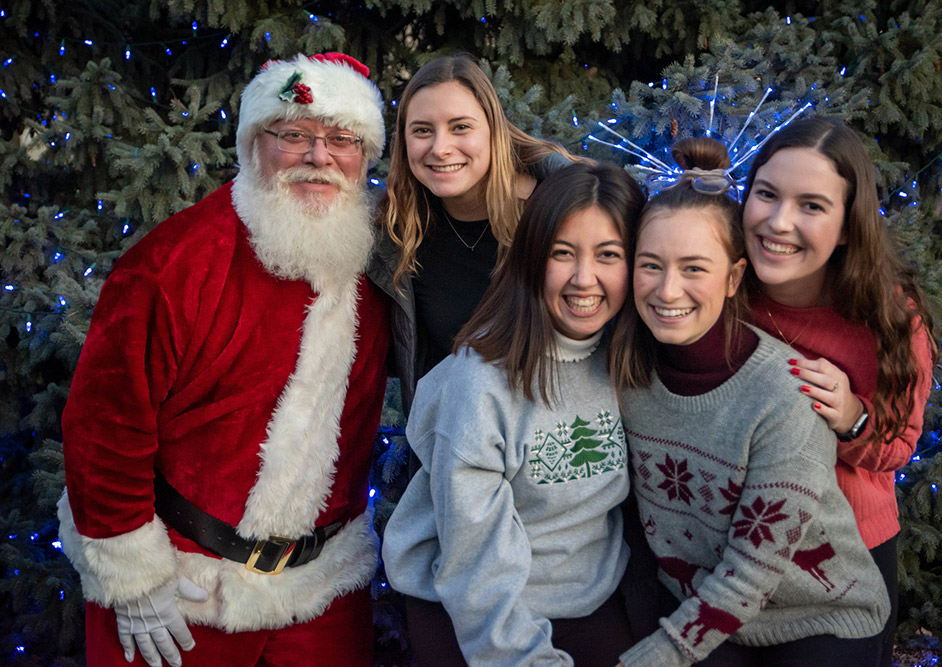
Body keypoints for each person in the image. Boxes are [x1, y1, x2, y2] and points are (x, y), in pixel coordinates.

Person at [57, 53, 389, 667]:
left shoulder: (381, 262)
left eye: (342, 139)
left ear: (364, 154)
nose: (319, 156)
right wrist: (133, 578)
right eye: (292, 135)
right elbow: (104, 423)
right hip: (181, 598)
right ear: (251, 144)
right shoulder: (175, 262)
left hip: (322, 602)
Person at [611, 137, 889, 666]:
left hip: (816, 614)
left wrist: (658, 654)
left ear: (734, 277)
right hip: (701, 604)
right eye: (651, 265)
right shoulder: (626, 373)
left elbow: (754, 569)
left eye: (694, 268)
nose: (668, 291)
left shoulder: (786, 391)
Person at [382, 162, 645, 666]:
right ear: (530, 259)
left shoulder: (627, 355)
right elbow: (475, 564)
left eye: (608, 255)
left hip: (590, 594)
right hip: (470, 606)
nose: (583, 279)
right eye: (562, 253)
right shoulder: (481, 382)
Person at [740, 117, 936, 666]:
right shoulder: (718, 281)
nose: (779, 222)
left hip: (844, 556)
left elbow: (898, 446)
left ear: (848, 226)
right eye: (767, 194)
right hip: (734, 546)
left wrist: (851, 415)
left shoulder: (887, 314)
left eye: (812, 206)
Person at [367, 52, 577, 415]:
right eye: (422, 130)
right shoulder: (398, 232)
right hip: (453, 445)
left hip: (563, 438)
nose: (440, 148)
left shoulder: (560, 212)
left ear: (493, 130)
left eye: (460, 127)